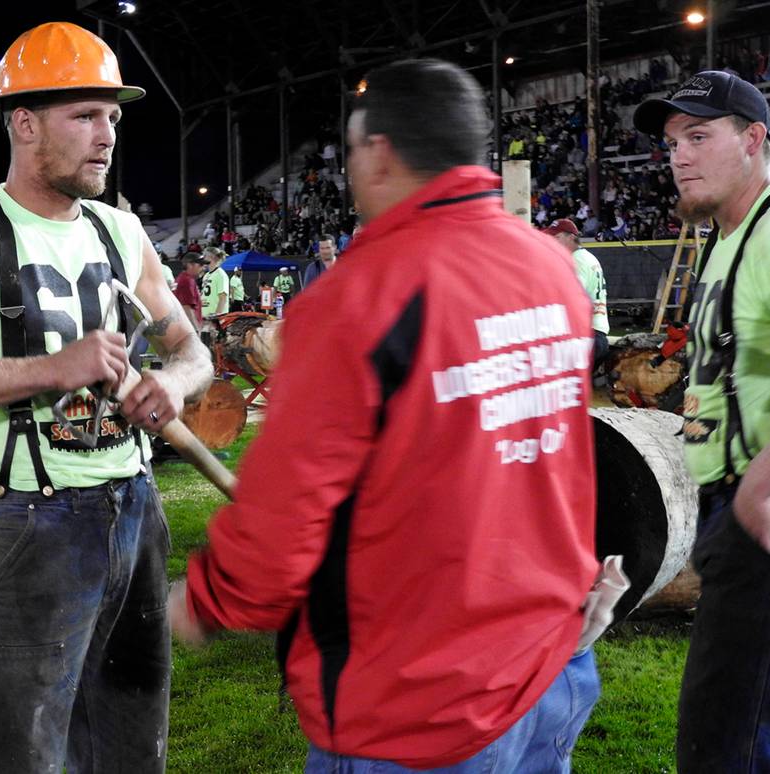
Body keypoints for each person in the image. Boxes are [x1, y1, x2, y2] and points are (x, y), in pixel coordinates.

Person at [170, 58, 601, 772]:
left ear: (377, 151)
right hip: (548, 664)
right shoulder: (550, 267)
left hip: (420, 701)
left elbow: (285, 515)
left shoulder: (358, 300)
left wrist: (212, 598)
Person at [0, 21, 212, 773]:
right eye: (84, 116)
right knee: (22, 753)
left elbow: (193, 350)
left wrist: (175, 385)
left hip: (135, 511)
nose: (107, 135)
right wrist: (49, 369)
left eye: (113, 117)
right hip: (29, 525)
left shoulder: (122, 231)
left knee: (131, 741)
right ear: (23, 123)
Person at [635, 70, 770, 772]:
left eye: (697, 136)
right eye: (670, 143)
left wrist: (762, 482)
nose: (678, 156)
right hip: (752, 505)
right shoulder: (725, 239)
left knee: (728, 744)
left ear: (754, 140)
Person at [544, 218, 610, 370]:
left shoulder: (576, 261)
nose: (552, 243)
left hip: (585, 336)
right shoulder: (588, 257)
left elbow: (572, 300)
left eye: (557, 238)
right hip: (597, 332)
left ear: (571, 237)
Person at [175, 252, 205, 328]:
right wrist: (196, 329)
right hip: (188, 328)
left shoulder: (184, 278)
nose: (203, 267)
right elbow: (187, 308)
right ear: (190, 265)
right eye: (200, 265)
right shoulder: (187, 281)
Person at [200, 246, 229, 318]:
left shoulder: (220, 274)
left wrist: (216, 316)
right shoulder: (206, 275)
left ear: (211, 257)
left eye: (205, 256)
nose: (203, 258)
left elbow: (223, 298)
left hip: (216, 317)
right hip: (205, 316)